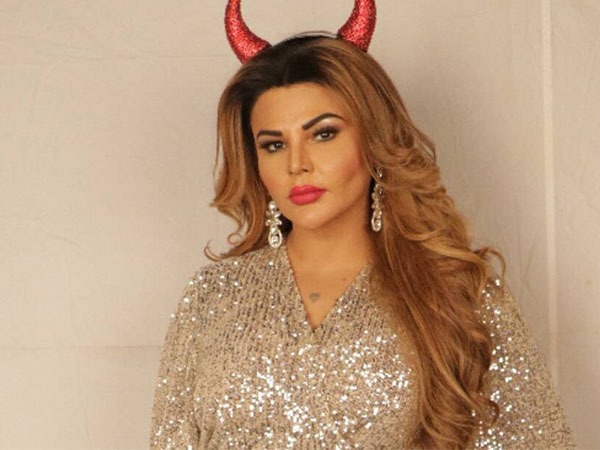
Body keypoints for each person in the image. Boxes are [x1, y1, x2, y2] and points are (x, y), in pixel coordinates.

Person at [150, 1, 573, 448]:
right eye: (274, 145)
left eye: (323, 134)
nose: (297, 164)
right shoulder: (212, 299)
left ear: (374, 140)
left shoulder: (457, 291)